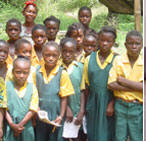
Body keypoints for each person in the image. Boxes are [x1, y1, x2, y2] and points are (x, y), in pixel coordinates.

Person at [33, 41, 74, 141]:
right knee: (40, 137)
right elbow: (33, 94)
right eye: (47, 55)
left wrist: (61, 115)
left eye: (54, 55)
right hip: (40, 112)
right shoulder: (37, 72)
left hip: (56, 113)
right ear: (42, 55)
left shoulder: (62, 73)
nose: (51, 58)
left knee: (55, 137)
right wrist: (35, 109)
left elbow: (64, 97)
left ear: (59, 56)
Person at [81, 26, 117, 140]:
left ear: (113, 42)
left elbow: (120, 87)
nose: (105, 43)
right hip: (93, 102)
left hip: (109, 102)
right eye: (102, 40)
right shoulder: (89, 59)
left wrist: (112, 103)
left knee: (107, 133)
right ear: (98, 41)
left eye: (108, 41)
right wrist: (86, 107)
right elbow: (86, 86)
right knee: (92, 133)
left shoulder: (117, 60)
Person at [108, 30, 143, 141]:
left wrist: (123, 81)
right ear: (125, 45)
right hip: (120, 105)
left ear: (141, 45)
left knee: (137, 137)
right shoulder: (118, 60)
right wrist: (136, 87)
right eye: (130, 43)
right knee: (119, 137)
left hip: (137, 107)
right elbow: (111, 84)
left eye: (137, 44)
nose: (134, 46)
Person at [4, 56, 39, 141]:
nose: (21, 76)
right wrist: (12, 124)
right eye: (18, 72)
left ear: (29, 73)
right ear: (12, 72)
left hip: (26, 127)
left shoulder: (32, 88)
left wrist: (20, 125)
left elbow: (33, 109)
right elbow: (3, 107)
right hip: (9, 126)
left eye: (25, 73)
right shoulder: (6, 86)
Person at [60, 37, 85, 140]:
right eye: (65, 51)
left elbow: (82, 90)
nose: (67, 54)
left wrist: (82, 111)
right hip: (62, 111)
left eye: (71, 51)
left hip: (77, 110)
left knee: (77, 136)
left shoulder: (80, 67)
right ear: (60, 50)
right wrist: (67, 109)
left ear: (76, 52)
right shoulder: (57, 67)